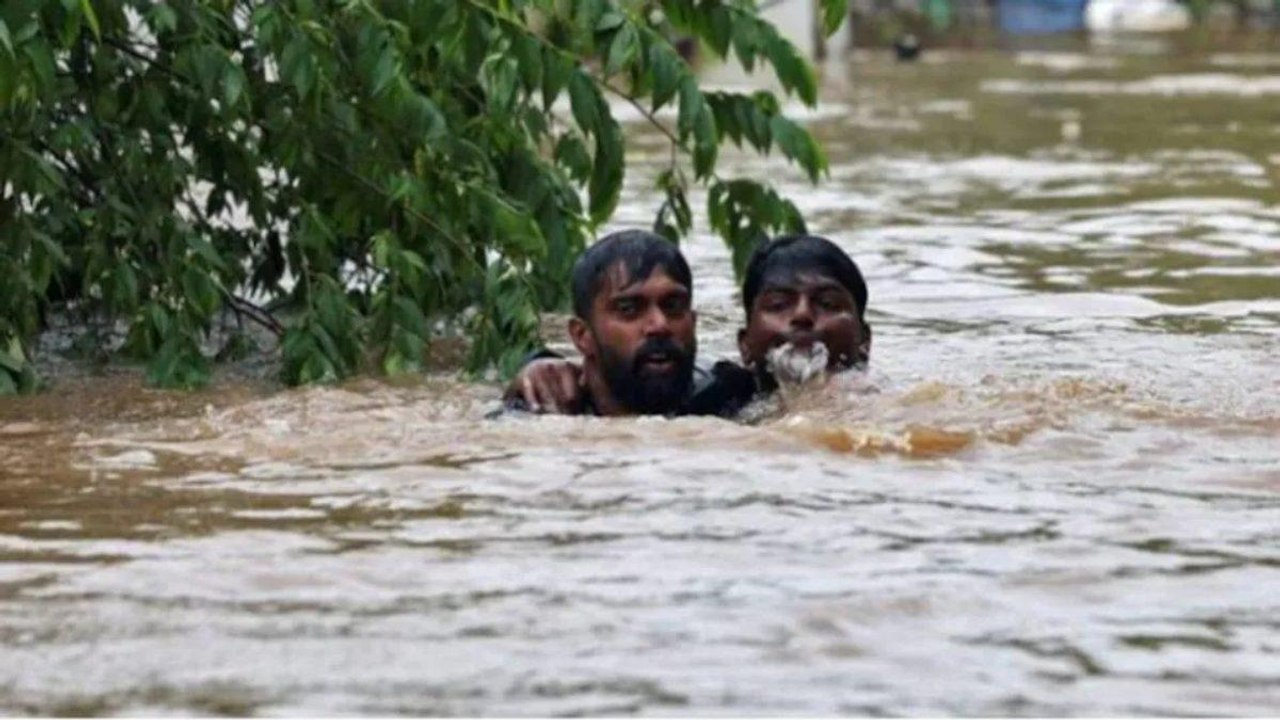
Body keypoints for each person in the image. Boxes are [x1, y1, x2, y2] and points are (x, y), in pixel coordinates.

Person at [505, 234, 871, 418]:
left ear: (693, 322)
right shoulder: (542, 413)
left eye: (674, 306)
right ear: (581, 336)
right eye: (630, 309)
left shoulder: (727, 393)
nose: (659, 325)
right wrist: (533, 363)